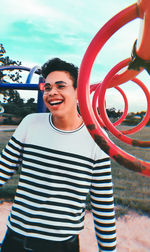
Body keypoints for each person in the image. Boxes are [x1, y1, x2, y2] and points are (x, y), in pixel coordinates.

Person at [0, 58, 116, 252]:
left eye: (60, 86)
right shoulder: (30, 123)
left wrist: (108, 250)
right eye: (47, 87)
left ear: (78, 92)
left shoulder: (97, 138)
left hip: (63, 246)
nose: (51, 92)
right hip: (16, 240)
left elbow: (103, 204)